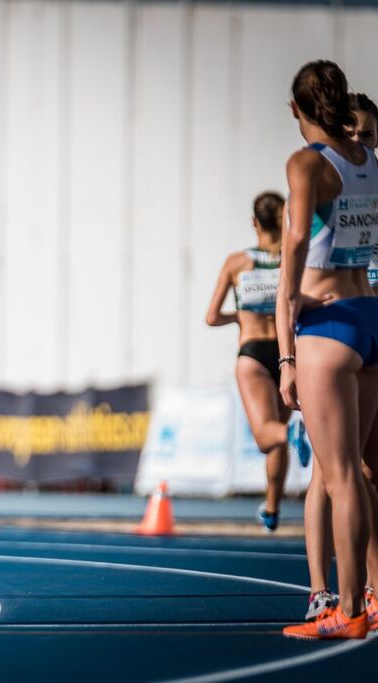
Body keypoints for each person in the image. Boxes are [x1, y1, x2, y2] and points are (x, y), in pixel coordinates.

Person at [278, 61, 378, 640]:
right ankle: (371, 597)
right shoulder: (368, 158)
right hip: (370, 316)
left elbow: (294, 248)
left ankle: (349, 609)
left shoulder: (306, 163)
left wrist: (285, 353)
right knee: (362, 475)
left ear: (297, 109)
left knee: (339, 477)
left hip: (328, 324)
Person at [206, 192, 307, 532]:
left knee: (268, 436)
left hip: (252, 352)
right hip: (286, 353)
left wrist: (238, 316)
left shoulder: (237, 263)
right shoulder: (292, 260)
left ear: (254, 223)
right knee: (277, 436)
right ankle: (272, 508)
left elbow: (211, 317)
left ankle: (294, 433)